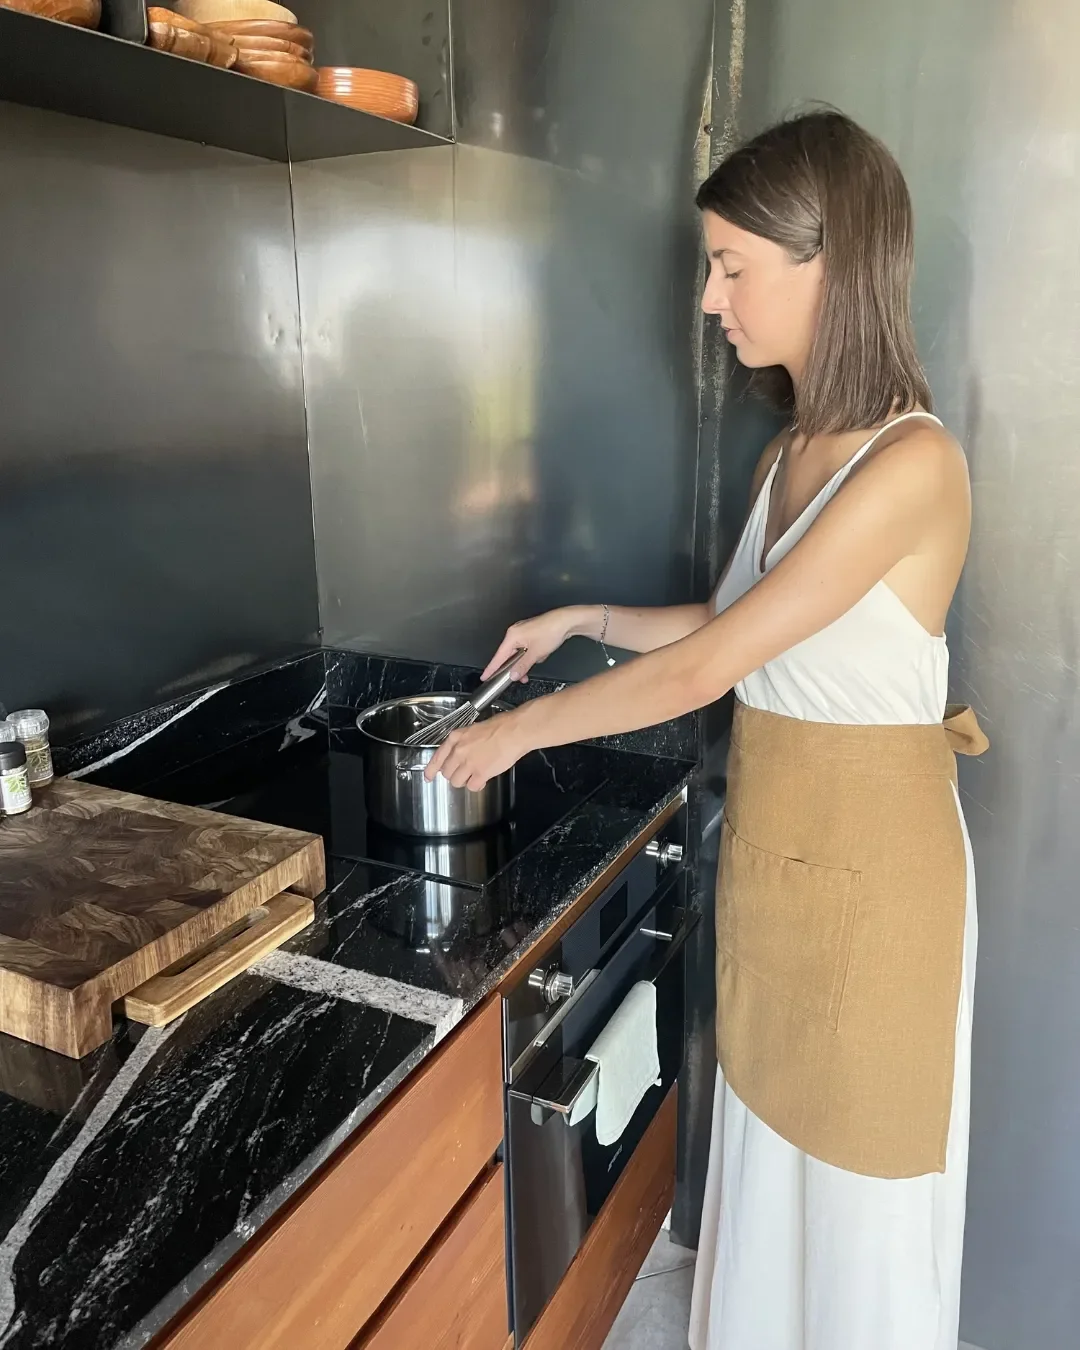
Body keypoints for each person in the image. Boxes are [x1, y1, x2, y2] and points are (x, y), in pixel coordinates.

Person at [426, 109, 986, 1350]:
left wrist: (523, 732)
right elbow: (734, 619)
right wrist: (583, 616)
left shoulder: (913, 465)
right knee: (774, 1176)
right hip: (788, 877)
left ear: (827, 261)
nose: (710, 299)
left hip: (878, 903)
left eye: (733, 265)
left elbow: (721, 663)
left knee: (858, 1211)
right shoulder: (793, 453)